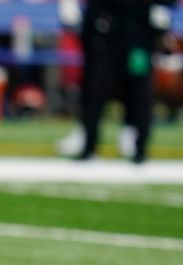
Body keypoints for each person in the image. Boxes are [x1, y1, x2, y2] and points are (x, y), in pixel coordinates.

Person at [66, 0, 176, 163]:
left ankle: (140, 148)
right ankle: (89, 145)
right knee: (95, 91)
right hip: (108, 36)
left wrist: (161, 11)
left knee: (140, 93)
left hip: (139, 39)